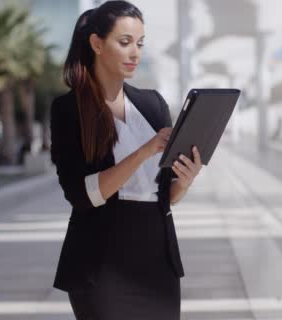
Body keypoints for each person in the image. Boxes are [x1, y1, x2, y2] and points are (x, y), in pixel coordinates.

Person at [50, 2, 202, 319]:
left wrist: (184, 182)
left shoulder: (153, 104)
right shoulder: (69, 110)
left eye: (140, 43)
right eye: (124, 42)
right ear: (96, 43)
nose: (135, 53)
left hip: (158, 263)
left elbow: (160, 198)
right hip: (102, 265)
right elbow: (82, 195)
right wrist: (143, 152)